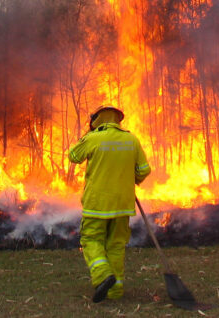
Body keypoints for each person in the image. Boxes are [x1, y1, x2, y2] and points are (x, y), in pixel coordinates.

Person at [68, 105, 151, 303]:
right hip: (123, 204)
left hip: (97, 203)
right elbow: (144, 169)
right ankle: (115, 291)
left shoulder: (93, 137)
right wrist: (134, 177)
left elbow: (73, 156)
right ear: (118, 119)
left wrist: (88, 135)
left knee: (91, 240)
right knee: (116, 246)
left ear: (96, 119)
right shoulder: (131, 139)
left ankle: (103, 275)